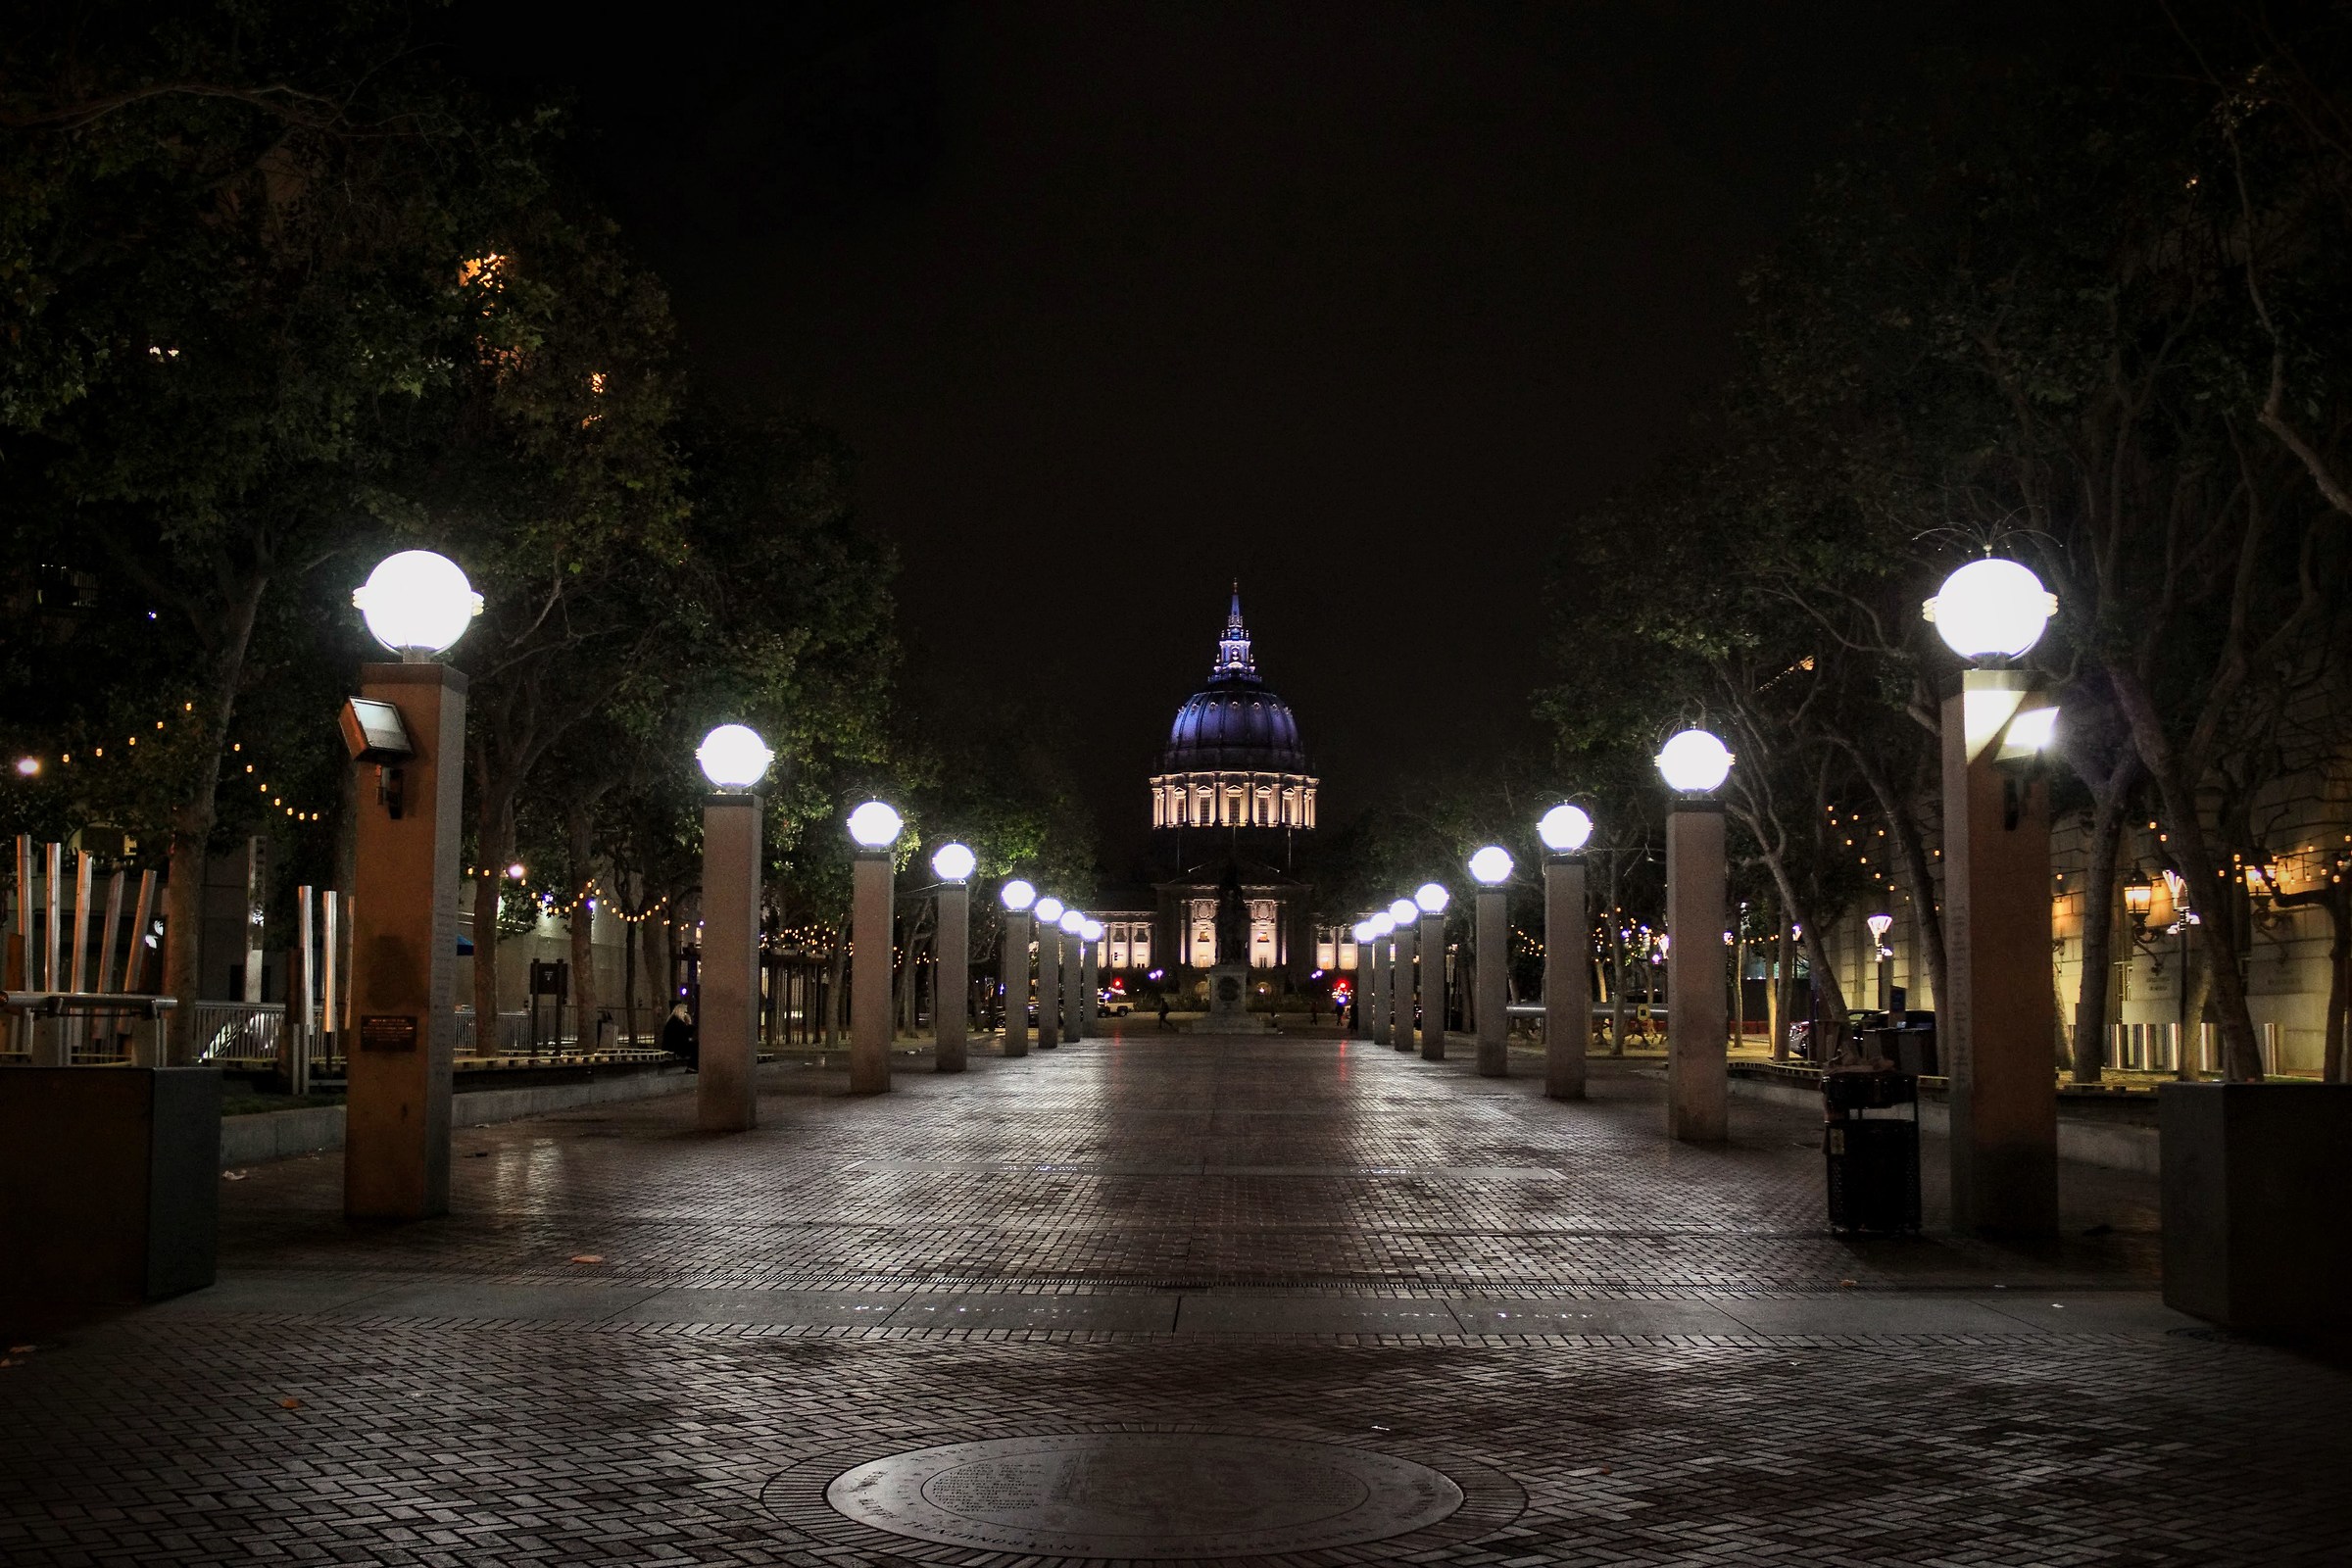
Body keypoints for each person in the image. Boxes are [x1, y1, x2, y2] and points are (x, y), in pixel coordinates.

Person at [661, 1002, 698, 1071]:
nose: (686, 1014)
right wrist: (689, 1024)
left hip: (674, 1045)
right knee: (696, 1046)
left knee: (695, 1045)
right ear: (680, 1012)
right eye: (685, 1012)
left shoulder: (673, 1020)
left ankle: (692, 1066)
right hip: (675, 1046)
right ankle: (692, 1067)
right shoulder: (677, 1022)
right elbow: (685, 1033)